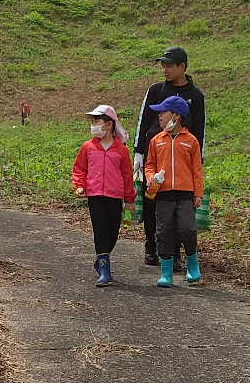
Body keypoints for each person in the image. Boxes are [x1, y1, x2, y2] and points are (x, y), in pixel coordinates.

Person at [134, 47, 205, 270]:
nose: (164, 70)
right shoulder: (155, 90)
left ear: (182, 66)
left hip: (182, 158)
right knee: (152, 200)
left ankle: (174, 252)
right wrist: (138, 151)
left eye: (169, 66)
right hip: (155, 154)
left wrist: (197, 161)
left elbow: (200, 130)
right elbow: (143, 120)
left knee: (177, 205)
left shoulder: (195, 95)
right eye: (162, 65)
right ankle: (151, 246)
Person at [71, 105, 136, 287]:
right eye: (92, 122)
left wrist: (129, 200)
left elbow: (127, 176)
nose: (93, 126)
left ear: (108, 125)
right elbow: (80, 169)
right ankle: (105, 270)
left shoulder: (121, 150)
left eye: (96, 122)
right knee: (100, 232)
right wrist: (79, 186)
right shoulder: (88, 147)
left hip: (115, 196)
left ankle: (101, 260)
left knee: (112, 233)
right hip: (95, 195)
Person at [143, 96, 203, 287]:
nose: (159, 116)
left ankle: (192, 263)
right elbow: (149, 164)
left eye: (163, 112)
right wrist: (150, 177)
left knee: (187, 229)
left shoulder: (191, 141)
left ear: (176, 116)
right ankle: (166, 273)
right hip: (163, 195)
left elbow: (196, 169)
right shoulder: (156, 141)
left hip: (185, 194)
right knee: (164, 232)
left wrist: (198, 193)